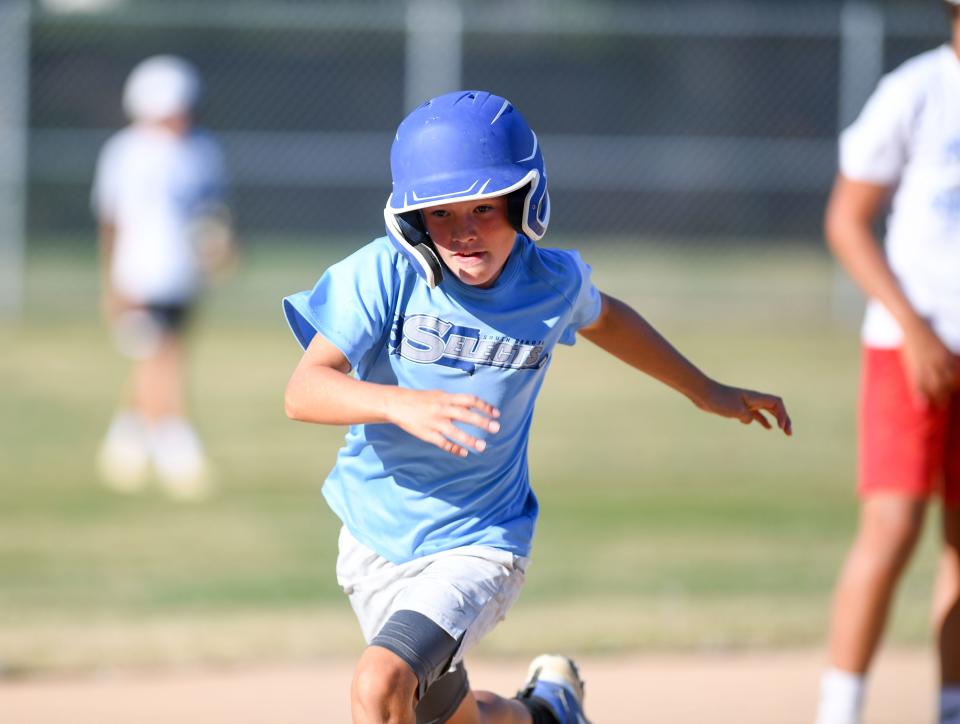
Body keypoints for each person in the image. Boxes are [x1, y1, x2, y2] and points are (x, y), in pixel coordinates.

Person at [283, 90, 792, 724]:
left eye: (485, 207)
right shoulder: (383, 274)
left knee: (379, 684)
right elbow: (303, 391)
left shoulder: (551, 282)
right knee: (453, 717)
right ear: (412, 219)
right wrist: (401, 404)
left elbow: (609, 320)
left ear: (526, 201)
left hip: (480, 542)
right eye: (441, 214)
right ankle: (550, 710)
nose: (464, 232)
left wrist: (704, 389)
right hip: (373, 538)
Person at [814, 4, 960, 723]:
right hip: (911, 352)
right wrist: (916, 330)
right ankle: (840, 709)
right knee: (894, 526)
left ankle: (952, 705)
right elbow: (846, 218)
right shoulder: (920, 91)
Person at [92, 55, 234, 501]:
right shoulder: (125, 152)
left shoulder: (201, 150)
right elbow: (111, 221)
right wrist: (112, 283)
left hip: (183, 275)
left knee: (162, 358)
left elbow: (211, 216)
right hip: (139, 274)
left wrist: (218, 250)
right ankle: (178, 450)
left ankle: (125, 444)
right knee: (160, 359)